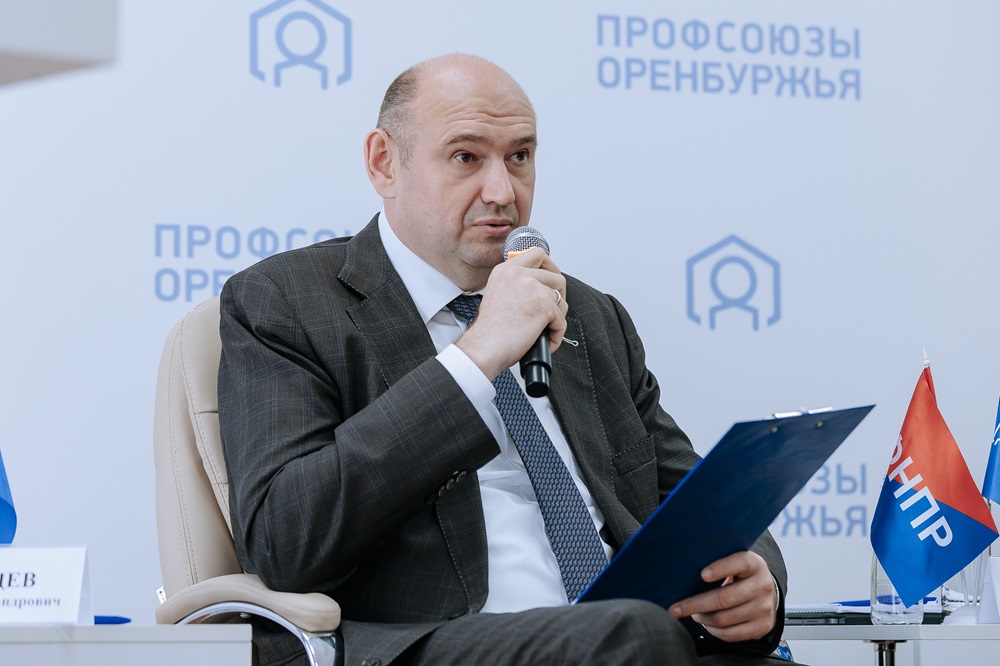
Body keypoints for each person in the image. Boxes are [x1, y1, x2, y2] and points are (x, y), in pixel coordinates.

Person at [218, 54, 795, 666]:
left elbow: (697, 498)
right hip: (424, 642)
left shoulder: (588, 315)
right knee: (631, 633)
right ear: (385, 162)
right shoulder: (286, 301)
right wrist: (476, 358)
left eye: (519, 156)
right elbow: (285, 542)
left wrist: (756, 580)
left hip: (630, 640)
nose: (502, 193)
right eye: (466, 157)